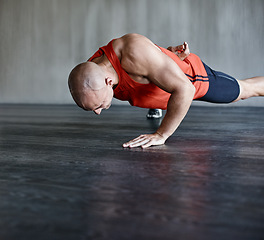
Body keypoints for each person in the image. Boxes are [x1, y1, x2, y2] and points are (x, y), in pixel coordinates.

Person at [68, 33, 264, 149]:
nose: (98, 112)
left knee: (245, 90)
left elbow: (184, 89)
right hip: (164, 82)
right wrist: (167, 54)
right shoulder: (92, 71)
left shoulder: (134, 53)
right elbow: (148, 68)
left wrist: (161, 134)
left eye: (98, 105)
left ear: (108, 81)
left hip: (192, 79)